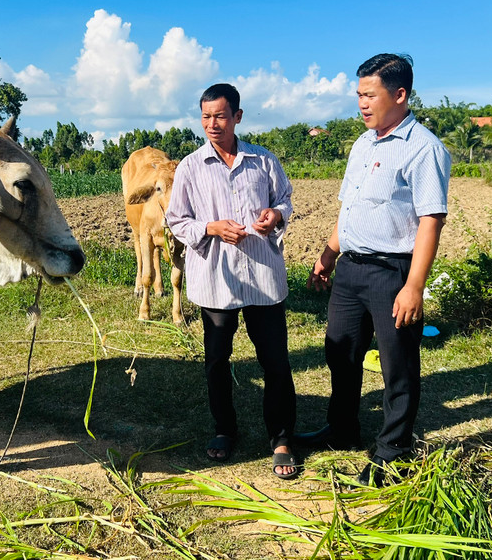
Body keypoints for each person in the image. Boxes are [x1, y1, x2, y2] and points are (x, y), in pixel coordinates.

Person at [298, 53, 451, 486]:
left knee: (397, 365)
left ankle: (393, 452)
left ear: (400, 95)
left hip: (392, 272)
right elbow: (349, 208)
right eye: (359, 95)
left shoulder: (424, 148)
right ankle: (342, 428)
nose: (362, 103)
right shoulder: (362, 144)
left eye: (370, 95)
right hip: (350, 270)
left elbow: (431, 220)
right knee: (341, 353)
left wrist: (414, 286)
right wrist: (327, 257)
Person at [166, 83, 299, 480]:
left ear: (237, 116)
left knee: (275, 362)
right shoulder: (191, 167)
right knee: (217, 362)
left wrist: (276, 215)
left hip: (263, 277)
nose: (212, 124)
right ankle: (224, 429)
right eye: (206, 117)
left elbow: (285, 198)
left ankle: (281, 439)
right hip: (216, 280)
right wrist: (211, 228)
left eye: (220, 116)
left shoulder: (263, 160)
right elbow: (176, 219)